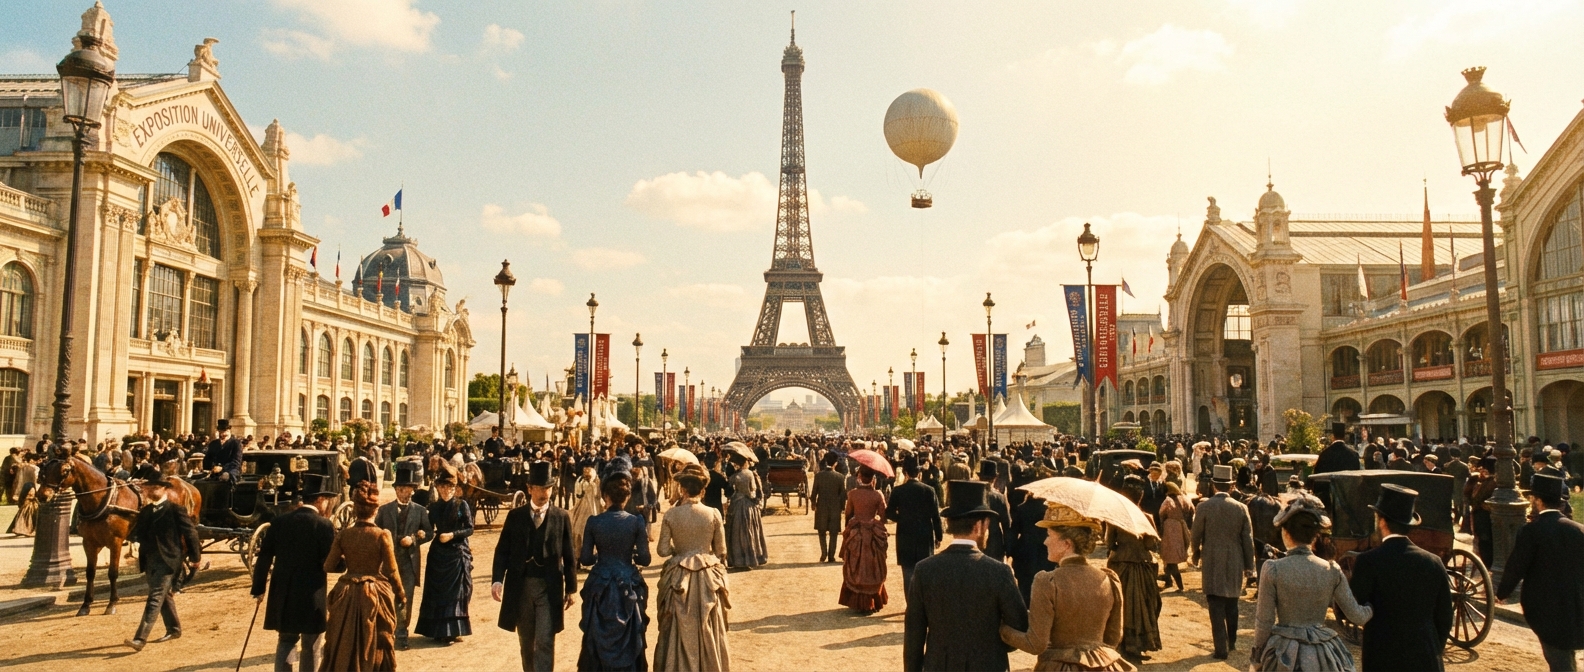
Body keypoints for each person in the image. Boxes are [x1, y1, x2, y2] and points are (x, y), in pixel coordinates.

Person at [903, 480, 1028, 672]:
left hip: (939, 665)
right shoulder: (998, 572)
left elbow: (914, 635)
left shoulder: (924, 569)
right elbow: (1019, 625)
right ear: (980, 525)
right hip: (988, 664)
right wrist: (995, 644)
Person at [999, 502, 1134, 672]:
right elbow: (1113, 638)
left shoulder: (1047, 581)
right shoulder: (1109, 578)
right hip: (1103, 666)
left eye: (1049, 535)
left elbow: (1035, 644)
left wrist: (1003, 629)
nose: (1045, 541)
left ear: (1067, 544)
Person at [1250, 494, 1372, 672]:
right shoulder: (1332, 570)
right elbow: (1357, 616)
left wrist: (1257, 660)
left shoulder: (1273, 569)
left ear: (1285, 533)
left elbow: (1264, 622)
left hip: (1284, 655)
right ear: (1314, 537)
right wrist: (1373, 607)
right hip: (1324, 656)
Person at [1348, 483, 1453, 672]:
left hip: (1382, 655)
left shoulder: (1368, 561)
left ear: (1381, 521)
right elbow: (1445, 616)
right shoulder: (1434, 562)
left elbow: (1356, 608)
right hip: (1424, 655)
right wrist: (1433, 648)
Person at [492, 461, 578, 672]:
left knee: (545, 639)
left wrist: (572, 588)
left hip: (549, 588)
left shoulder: (561, 517)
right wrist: (497, 580)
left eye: (548, 488)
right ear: (529, 489)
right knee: (526, 641)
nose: (544, 493)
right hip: (521, 587)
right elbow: (502, 550)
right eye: (539, 488)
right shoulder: (515, 517)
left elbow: (569, 555)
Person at [1497, 473, 1584, 671]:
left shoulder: (1532, 531)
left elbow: (1516, 566)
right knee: (1565, 653)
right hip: (1576, 602)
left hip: (1544, 604)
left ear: (1538, 500)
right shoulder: (1579, 529)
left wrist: (1502, 592)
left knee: (1557, 658)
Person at [252, 474, 338, 672]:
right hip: (312, 595)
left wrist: (258, 588)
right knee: (312, 644)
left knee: (286, 641)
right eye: (326, 499)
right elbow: (331, 562)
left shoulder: (279, 522)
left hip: (284, 592)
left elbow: (264, 557)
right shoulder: (324, 525)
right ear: (320, 500)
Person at [654, 464, 731, 672]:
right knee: (708, 625)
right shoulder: (713, 513)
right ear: (703, 490)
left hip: (679, 576)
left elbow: (662, 550)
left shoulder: (671, 515)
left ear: (682, 489)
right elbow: (721, 549)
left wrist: (679, 548)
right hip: (708, 577)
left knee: (677, 625)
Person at [321, 480, 404, 671]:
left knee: (343, 641)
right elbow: (392, 571)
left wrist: (350, 562)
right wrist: (401, 593)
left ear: (355, 510)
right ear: (375, 511)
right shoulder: (382, 535)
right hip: (375, 595)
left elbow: (328, 566)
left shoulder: (344, 535)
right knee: (376, 641)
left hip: (346, 594)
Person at [577, 461, 652, 671]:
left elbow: (585, 559)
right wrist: (630, 553)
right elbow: (645, 559)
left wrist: (600, 555)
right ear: (627, 496)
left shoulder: (594, 522)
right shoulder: (636, 521)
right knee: (631, 634)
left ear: (605, 497)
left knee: (596, 638)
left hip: (600, 584)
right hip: (627, 584)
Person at [124, 472, 202, 651]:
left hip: (169, 560)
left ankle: (140, 639)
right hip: (149, 560)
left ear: (165, 489)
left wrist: (195, 558)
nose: (152, 490)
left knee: (155, 597)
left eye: (156, 487)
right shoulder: (145, 512)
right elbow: (137, 533)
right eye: (150, 487)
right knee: (163, 596)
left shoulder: (176, 510)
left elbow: (191, 533)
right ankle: (174, 629)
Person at [1190, 464, 1255, 660]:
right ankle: (1232, 641)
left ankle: (1221, 648)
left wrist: (1196, 552)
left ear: (1212, 485)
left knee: (1215, 603)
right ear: (1232, 485)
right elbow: (1248, 540)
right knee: (1232, 603)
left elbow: (1196, 535)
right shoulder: (1242, 508)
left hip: (1212, 560)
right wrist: (1249, 566)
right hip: (1235, 559)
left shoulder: (1203, 507)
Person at [375, 462, 431, 650]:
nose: (403, 493)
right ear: (396, 490)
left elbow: (429, 533)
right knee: (384, 596)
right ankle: (385, 632)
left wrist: (414, 539)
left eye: (407, 489)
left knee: (405, 597)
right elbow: (375, 532)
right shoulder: (384, 511)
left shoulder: (420, 511)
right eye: (400, 489)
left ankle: (401, 634)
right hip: (387, 562)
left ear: (413, 491)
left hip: (409, 561)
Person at [415, 471, 475, 644]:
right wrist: (421, 533)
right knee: (437, 594)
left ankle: (453, 631)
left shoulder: (461, 505)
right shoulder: (434, 507)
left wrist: (453, 534)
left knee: (456, 593)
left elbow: (470, 528)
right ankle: (438, 631)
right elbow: (428, 529)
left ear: (454, 488)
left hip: (456, 553)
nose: (445, 490)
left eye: (449, 487)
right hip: (438, 554)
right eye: (441, 487)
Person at [1108, 479, 1160, 662]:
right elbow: (1151, 544)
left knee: (1119, 604)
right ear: (1141, 497)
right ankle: (1137, 646)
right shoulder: (1147, 517)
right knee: (1143, 607)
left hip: (1120, 565)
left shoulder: (1115, 519)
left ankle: (1119, 644)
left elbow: (1109, 543)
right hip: (1141, 566)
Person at [887, 456, 943, 599]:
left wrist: (902, 518)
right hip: (925, 534)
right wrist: (939, 536)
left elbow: (889, 512)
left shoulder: (898, 491)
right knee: (925, 571)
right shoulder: (929, 490)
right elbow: (936, 516)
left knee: (908, 572)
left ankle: (910, 604)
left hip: (905, 534)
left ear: (905, 473)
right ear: (919, 473)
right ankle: (924, 604)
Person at [840, 464, 890, 613]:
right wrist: (874, 522)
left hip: (857, 533)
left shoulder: (853, 494)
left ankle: (856, 599)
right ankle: (873, 599)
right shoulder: (878, 495)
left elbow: (848, 514)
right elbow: (884, 516)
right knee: (874, 565)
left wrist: (849, 530)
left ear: (860, 477)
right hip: (873, 534)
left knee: (855, 564)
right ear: (873, 478)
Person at [725, 448, 768, 569]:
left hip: (736, 505)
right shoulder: (750, 474)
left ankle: (738, 560)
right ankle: (751, 557)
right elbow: (752, 491)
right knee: (750, 531)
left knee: (736, 532)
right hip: (748, 506)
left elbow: (730, 490)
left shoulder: (735, 476)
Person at [811, 451, 847, 563]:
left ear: (826, 461)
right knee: (833, 533)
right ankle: (831, 556)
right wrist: (842, 508)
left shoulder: (818, 476)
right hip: (835, 508)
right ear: (835, 463)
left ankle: (823, 554)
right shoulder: (840, 477)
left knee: (821, 532)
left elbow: (814, 493)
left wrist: (813, 504)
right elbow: (843, 495)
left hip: (821, 506)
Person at [1156, 482, 1191, 592]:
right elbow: (1191, 509)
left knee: (1169, 556)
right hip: (1180, 527)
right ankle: (1168, 580)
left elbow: (1161, 513)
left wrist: (1161, 528)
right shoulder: (1184, 499)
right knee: (1172, 555)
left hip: (1169, 528)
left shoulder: (1167, 501)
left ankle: (1179, 585)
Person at [978, 461, 1014, 561]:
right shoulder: (999, 497)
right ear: (995, 478)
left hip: (975, 539)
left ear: (980, 477)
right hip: (994, 541)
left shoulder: (973, 496)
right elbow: (1007, 524)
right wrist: (1008, 548)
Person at [571, 464, 603, 556]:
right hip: (583, 505)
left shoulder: (596, 483)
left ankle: (593, 553)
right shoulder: (581, 482)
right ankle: (578, 554)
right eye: (586, 476)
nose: (587, 478)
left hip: (594, 506)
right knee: (579, 529)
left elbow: (598, 495)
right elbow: (578, 494)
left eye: (589, 477)